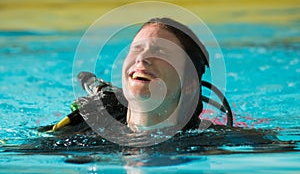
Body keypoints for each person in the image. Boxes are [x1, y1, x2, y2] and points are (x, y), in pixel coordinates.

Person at [38, 17, 229, 136]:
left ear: (189, 84)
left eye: (161, 52)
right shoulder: (83, 131)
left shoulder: (212, 143)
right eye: (137, 49)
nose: (142, 58)